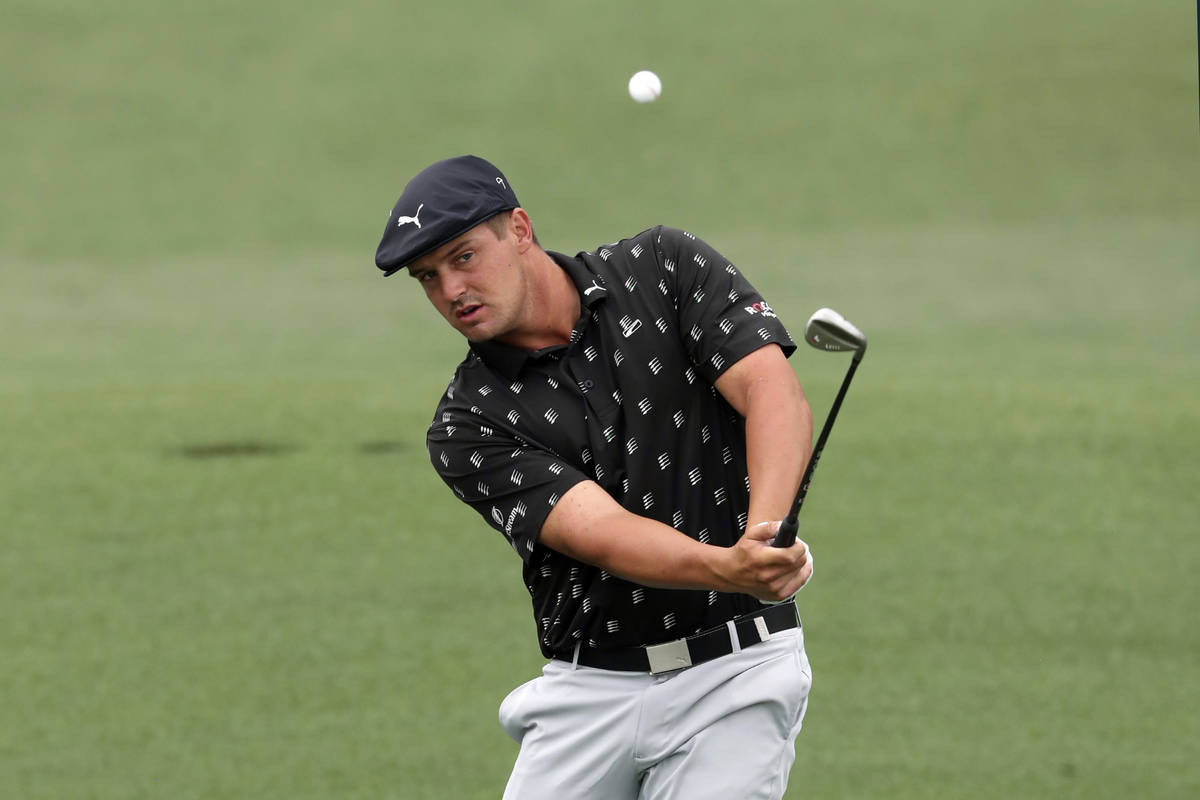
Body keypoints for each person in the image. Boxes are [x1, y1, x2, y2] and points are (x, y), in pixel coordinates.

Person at [375, 155, 816, 799]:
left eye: (464, 257)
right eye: (428, 277)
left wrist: (764, 538)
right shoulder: (467, 425)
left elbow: (772, 392)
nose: (451, 290)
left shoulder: (664, 268)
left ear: (520, 229)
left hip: (737, 673)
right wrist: (729, 566)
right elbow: (602, 532)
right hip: (590, 693)